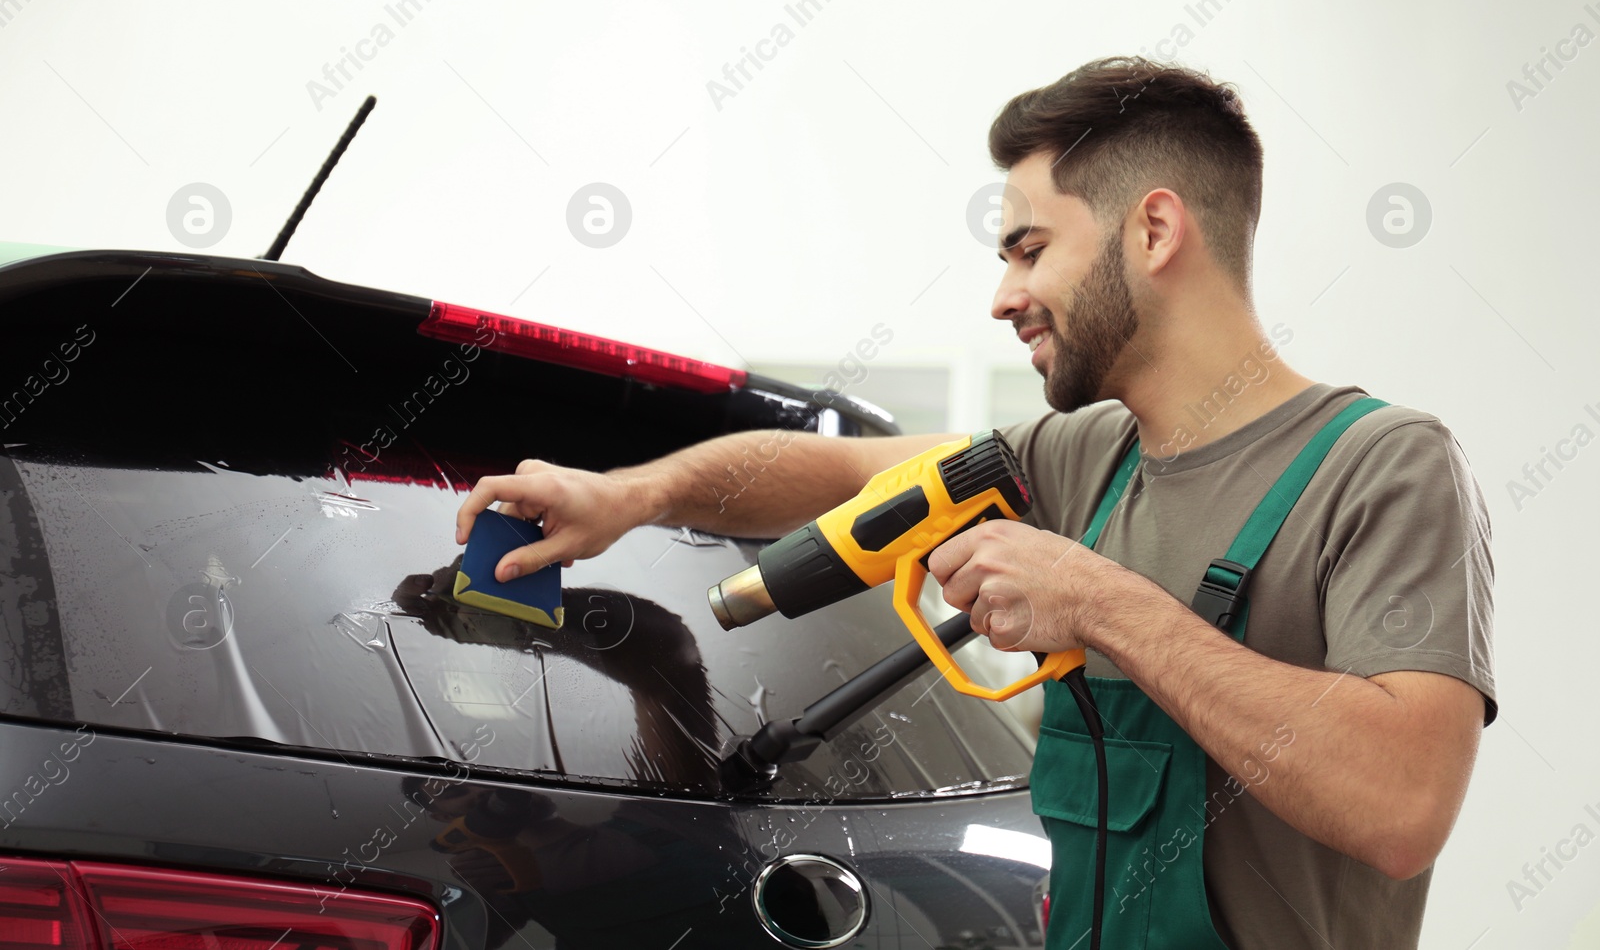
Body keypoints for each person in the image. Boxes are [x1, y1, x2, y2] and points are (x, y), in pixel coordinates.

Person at [454, 56, 1495, 950]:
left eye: (1029, 247)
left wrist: (1100, 603)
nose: (1001, 296)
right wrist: (634, 492)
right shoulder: (1086, 452)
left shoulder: (1381, 465)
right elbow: (841, 473)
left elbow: (1399, 807)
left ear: (1154, 229)